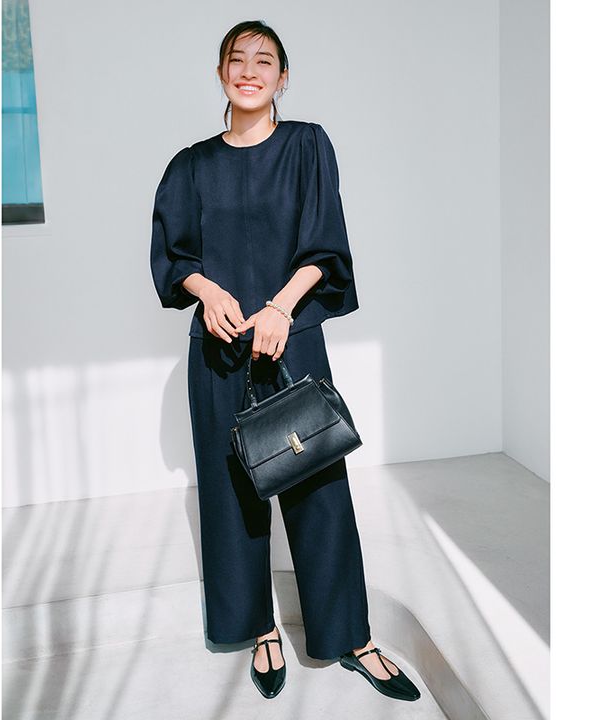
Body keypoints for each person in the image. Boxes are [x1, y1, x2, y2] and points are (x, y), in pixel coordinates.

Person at [150, 19, 421, 702]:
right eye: (237, 60)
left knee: (318, 487)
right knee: (231, 494)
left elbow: (325, 245)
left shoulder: (306, 146)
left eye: (264, 60)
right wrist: (208, 291)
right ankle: (258, 628)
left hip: (290, 339)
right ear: (220, 74)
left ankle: (350, 637)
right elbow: (175, 257)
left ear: (283, 76)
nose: (250, 70)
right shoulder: (189, 166)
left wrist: (279, 308)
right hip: (217, 351)